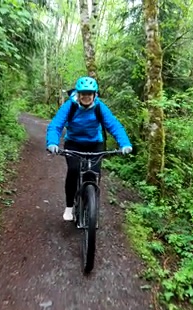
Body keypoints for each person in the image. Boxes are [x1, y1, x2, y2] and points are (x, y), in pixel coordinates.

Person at [46, 76, 133, 221]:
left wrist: (125, 143)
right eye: (83, 93)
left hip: (95, 144)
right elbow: (56, 125)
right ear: (78, 94)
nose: (86, 97)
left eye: (89, 94)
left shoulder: (100, 107)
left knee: (94, 173)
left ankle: (90, 203)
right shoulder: (70, 106)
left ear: (94, 95)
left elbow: (114, 125)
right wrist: (52, 143)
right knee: (74, 170)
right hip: (73, 143)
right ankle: (69, 207)